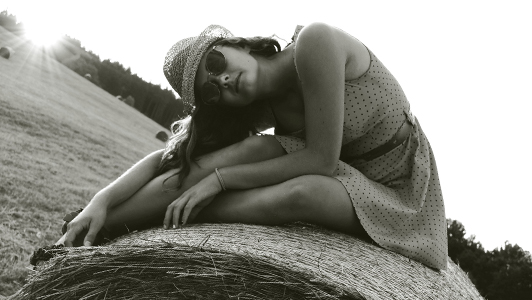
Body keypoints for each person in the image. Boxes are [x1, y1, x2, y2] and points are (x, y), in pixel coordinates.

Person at [58, 23, 448, 270]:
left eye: (214, 62)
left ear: (236, 44)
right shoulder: (261, 107)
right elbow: (172, 159)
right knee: (248, 152)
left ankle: (145, 222)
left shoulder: (316, 42)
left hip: (400, 188)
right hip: (351, 178)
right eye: (211, 91)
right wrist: (100, 201)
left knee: (300, 190)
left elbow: (322, 160)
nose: (222, 81)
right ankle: (95, 230)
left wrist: (219, 180)